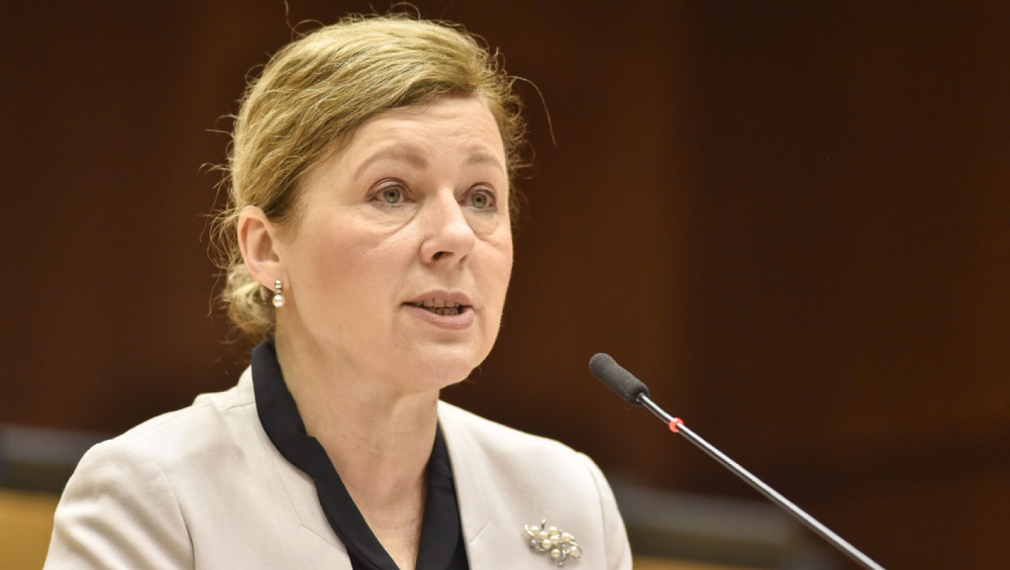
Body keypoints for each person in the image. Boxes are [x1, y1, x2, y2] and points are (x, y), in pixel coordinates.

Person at [44, 13, 632, 570]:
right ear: (266, 249)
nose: (456, 236)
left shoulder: (568, 496)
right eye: (392, 192)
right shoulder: (152, 495)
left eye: (480, 197)